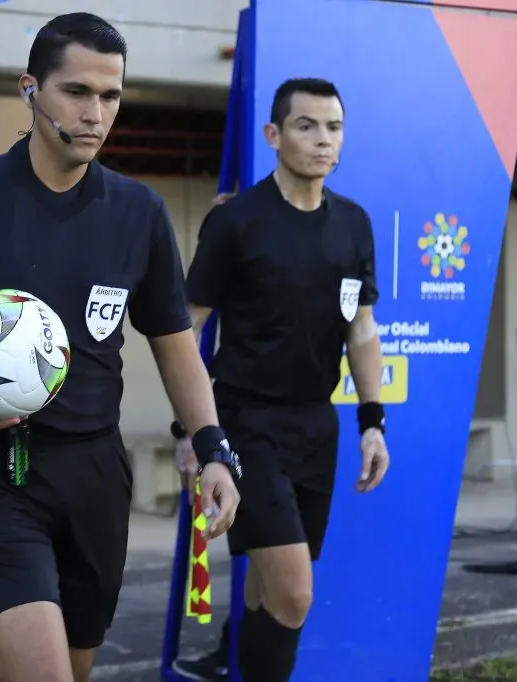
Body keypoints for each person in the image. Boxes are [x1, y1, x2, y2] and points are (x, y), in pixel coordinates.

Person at [0, 12, 242, 682]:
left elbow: (176, 346)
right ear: (29, 89)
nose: (95, 113)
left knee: (73, 668)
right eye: (76, 92)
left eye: (111, 96)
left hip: (93, 476)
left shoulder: (138, 213)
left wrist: (212, 447)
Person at [172, 78, 391, 682]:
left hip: (316, 426)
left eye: (334, 127)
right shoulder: (236, 222)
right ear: (273, 135)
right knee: (295, 594)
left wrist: (372, 422)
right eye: (306, 125)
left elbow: (362, 330)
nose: (323, 140)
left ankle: (229, 659)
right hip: (245, 422)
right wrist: (191, 430)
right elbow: (185, 330)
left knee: (268, 583)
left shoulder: (354, 223)